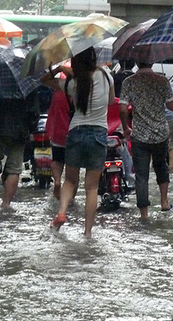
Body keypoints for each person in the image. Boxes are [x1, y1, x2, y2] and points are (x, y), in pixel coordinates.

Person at [42, 47, 115, 237]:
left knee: (70, 181)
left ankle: (62, 212)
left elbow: (43, 81)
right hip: (99, 133)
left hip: (76, 132)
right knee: (91, 187)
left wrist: (58, 69)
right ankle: (88, 232)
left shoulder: (72, 84)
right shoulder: (106, 74)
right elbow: (111, 101)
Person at [119, 61, 173, 220]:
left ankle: (144, 214)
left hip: (139, 135)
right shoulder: (162, 81)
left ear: (136, 62)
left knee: (141, 175)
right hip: (160, 134)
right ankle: (164, 202)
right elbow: (172, 106)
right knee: (161, 167)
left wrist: (125, 128)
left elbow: (123, 109)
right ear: (152, 61)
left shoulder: (128, 82)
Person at [0, 89, 40, 209]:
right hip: (18, 129)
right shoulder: (25, 83)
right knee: (14, 168)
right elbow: (34, 111)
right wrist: (30, 128)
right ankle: (6, 203)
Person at [45, 89, 70, 199]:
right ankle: (69, 198)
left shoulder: (58, 91)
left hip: (58, 130)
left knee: (56, 158)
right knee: (72, 165)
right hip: (74, 130)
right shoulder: (79, 90)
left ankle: (57, 180)